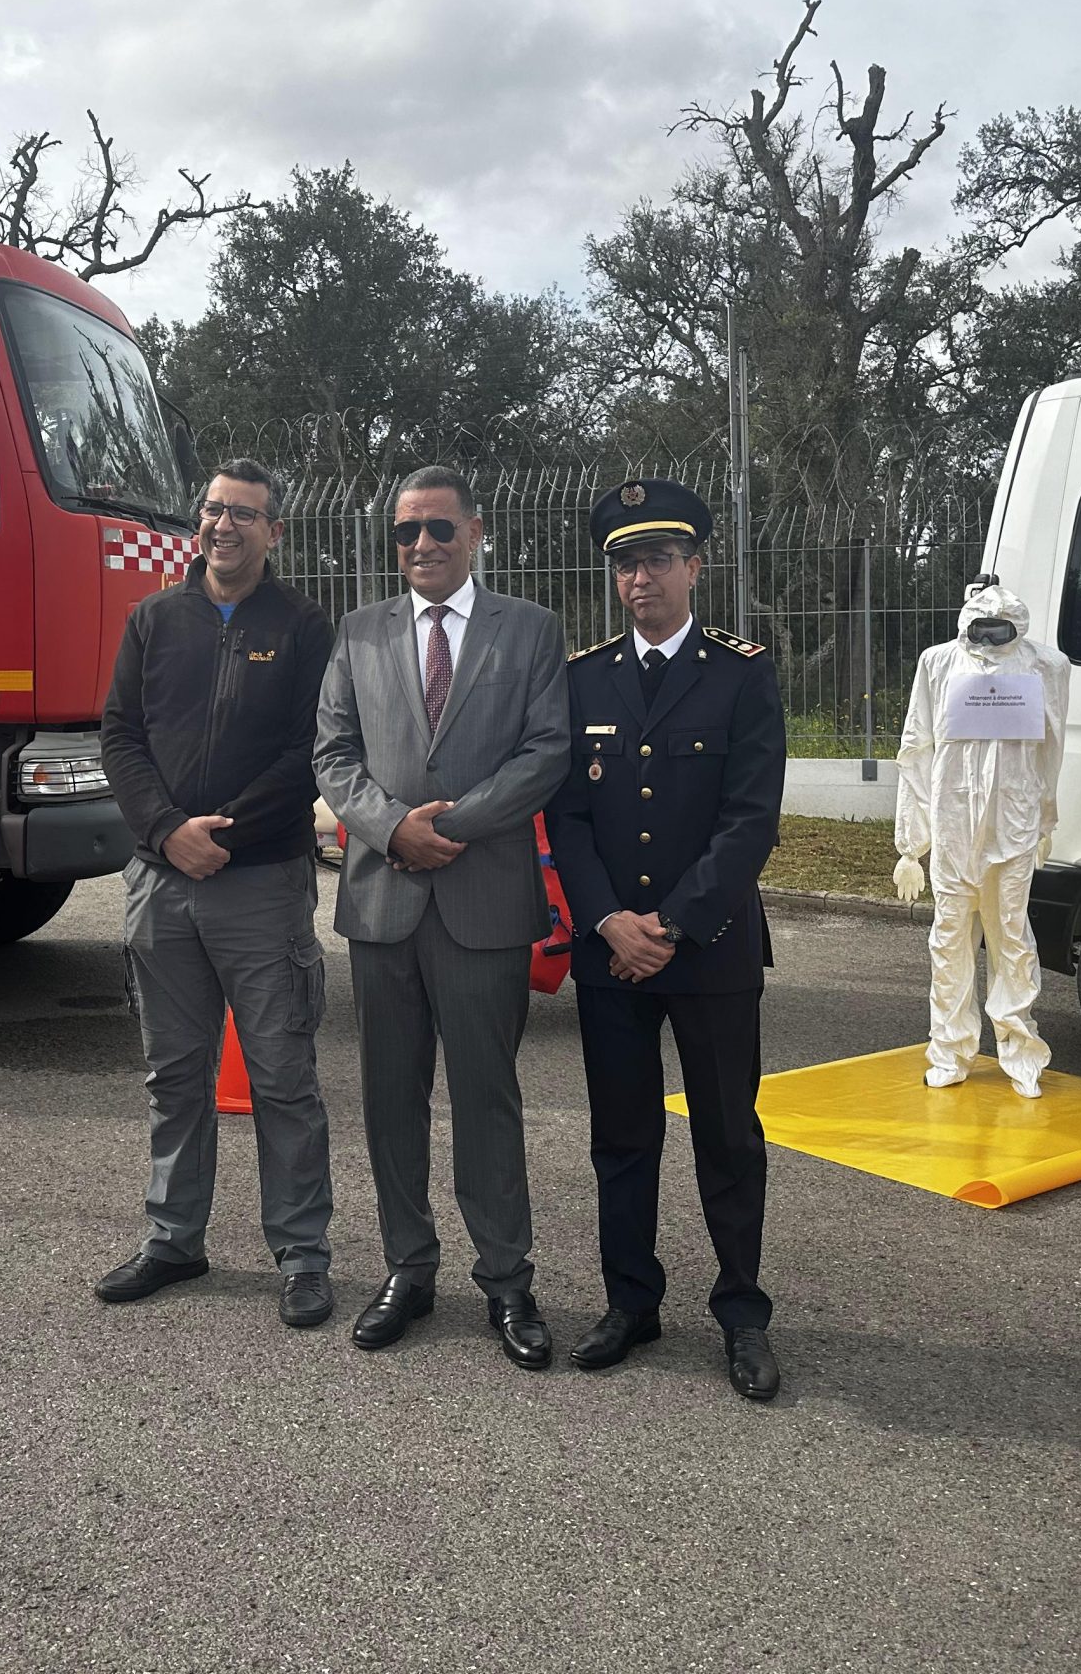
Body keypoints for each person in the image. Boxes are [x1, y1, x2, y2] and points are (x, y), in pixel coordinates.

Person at [314, 466, 569, 1367]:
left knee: (487, 1100)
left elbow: (547, 751)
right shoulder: (359, 632)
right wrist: (391, 830)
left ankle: (508, 1281)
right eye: (405, 532)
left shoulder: (531, 631)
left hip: (482, 900)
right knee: (391, 1100)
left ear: (477, 531)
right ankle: (408, 1269)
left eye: (438, 529)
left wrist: (447, 828)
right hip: (383, 903)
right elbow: (333, 753)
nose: (421, 545)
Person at [546, 480, 786, 1402]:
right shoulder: (585, 677)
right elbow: (568, 818)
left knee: (727, 1135)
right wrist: (609, 921)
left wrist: (674, 924)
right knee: (623, 1137)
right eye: (624, 563)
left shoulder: (740, 671)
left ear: (694, 566)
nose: (639, 578)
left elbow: (749, 819)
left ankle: (742, 1314)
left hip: (711, 946)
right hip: (614, 956)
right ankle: (630, 1301)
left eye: (656, 559)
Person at [95, 458, 340, 1328]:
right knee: (174, 1074)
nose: (223, 525)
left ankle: (303, 1251)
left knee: (281, 1076)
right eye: (212, 510)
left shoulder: (306, 625)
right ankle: (173, 1239)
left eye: (243, 513)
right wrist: (167, 832)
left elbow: (312, 747)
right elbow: (119, 736)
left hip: (260, 883)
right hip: (161, 882)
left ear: (275, 531)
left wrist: (219, 831)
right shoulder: (154, 619)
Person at [892, 576, 1072, 1097]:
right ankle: (949, 1050)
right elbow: (915, 747)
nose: (991, 639)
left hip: (1012, 824)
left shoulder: (1047, 665)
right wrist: (912, 843)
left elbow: (1054, 746)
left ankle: (1020, 1050)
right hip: (953, 826)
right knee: (949, 939)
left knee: (1011, 938)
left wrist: (1045, 817)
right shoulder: (939, 662)